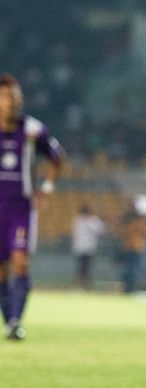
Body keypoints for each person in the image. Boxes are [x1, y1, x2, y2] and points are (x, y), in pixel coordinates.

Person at [0, 74, 64, 340]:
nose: (12, 102)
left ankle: (16, 320)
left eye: (15, 97)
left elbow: (57, 158)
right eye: (5, 97)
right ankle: (10, 320)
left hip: (20, 208)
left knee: (20, 262)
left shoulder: (32, 130)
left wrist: (46, 189)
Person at [71, 205, 106, 290]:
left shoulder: (94, 220)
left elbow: (101, 230)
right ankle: (79, 284)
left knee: (87, 268)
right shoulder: (78, 220)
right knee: (80, 267)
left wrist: (90, 224)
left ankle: (86, 285)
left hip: (90, 248)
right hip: (80, 247)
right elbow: (76, 233)